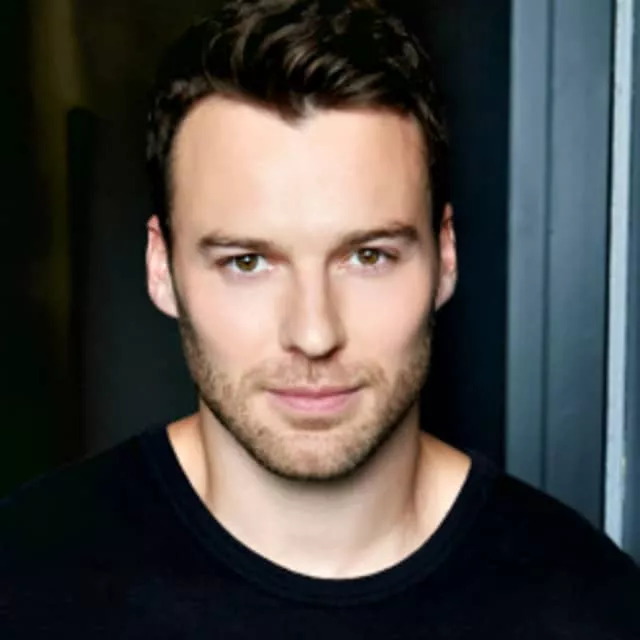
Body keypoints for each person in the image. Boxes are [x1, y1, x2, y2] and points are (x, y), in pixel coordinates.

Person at [2, 0, 639, 637]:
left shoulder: (589, 604)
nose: (314, 334)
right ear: (160, 269)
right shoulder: (28, 575)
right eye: (247, 262)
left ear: (445, 257)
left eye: (368, 256)